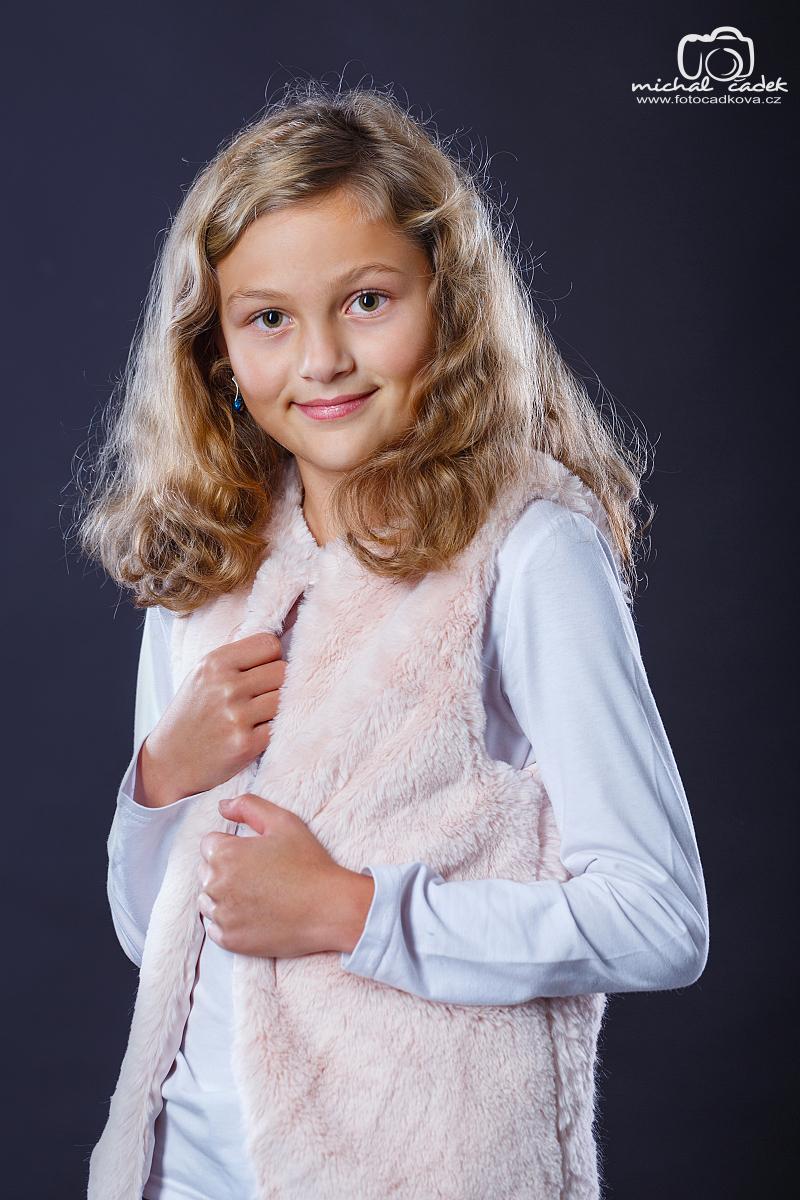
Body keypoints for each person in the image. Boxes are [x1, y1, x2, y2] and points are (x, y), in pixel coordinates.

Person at [76, 81, 709, 1200]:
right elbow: (158, 940)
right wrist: (162, 778)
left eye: (367, 300)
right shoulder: (211, 564)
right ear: (217, 352)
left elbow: (657, 920)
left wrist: (352, 911)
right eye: (268, 318)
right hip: (181, 1173)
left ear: (448, 304)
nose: (321, 358)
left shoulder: (527, 550)